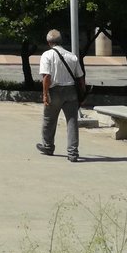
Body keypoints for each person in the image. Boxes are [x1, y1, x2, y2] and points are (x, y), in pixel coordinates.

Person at [37, 29, 82, 162]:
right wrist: (82, 95)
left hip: (54, 91)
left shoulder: (47, 55)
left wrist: (45, 94)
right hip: (71, 91)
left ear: (48, 42)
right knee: (72, 121)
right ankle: (73, 153)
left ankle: (48, 146)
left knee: (49, 120)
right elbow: (81, 78)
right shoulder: (72, 56)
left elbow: (46, 77)